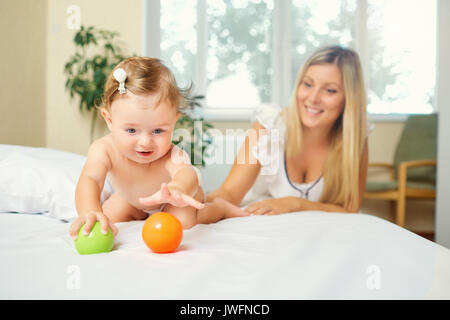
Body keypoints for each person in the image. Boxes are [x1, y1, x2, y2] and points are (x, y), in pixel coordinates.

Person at [69, 57, 242, 240]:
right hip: (134, 201)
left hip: (176, 199)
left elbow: (186, 173)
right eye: (131, 130)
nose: (145, 142)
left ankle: (219, 208)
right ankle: (138, 213)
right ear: (109, 120)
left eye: (158, 130)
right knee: (106, 218)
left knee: (183, 221)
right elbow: (91, 179)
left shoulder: (171, 154)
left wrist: (178, 189)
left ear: (174, 121)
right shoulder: (103, 149)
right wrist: (89, 210)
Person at [205, 45, 369, 218]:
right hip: (262, 224)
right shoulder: (268, 126)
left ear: (348, 99)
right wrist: (193, 199)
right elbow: (229, 194)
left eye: (330, 90)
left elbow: (350, 208)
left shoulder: (355, 138)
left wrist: (295, 203)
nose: (313, 98)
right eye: (307, 84)